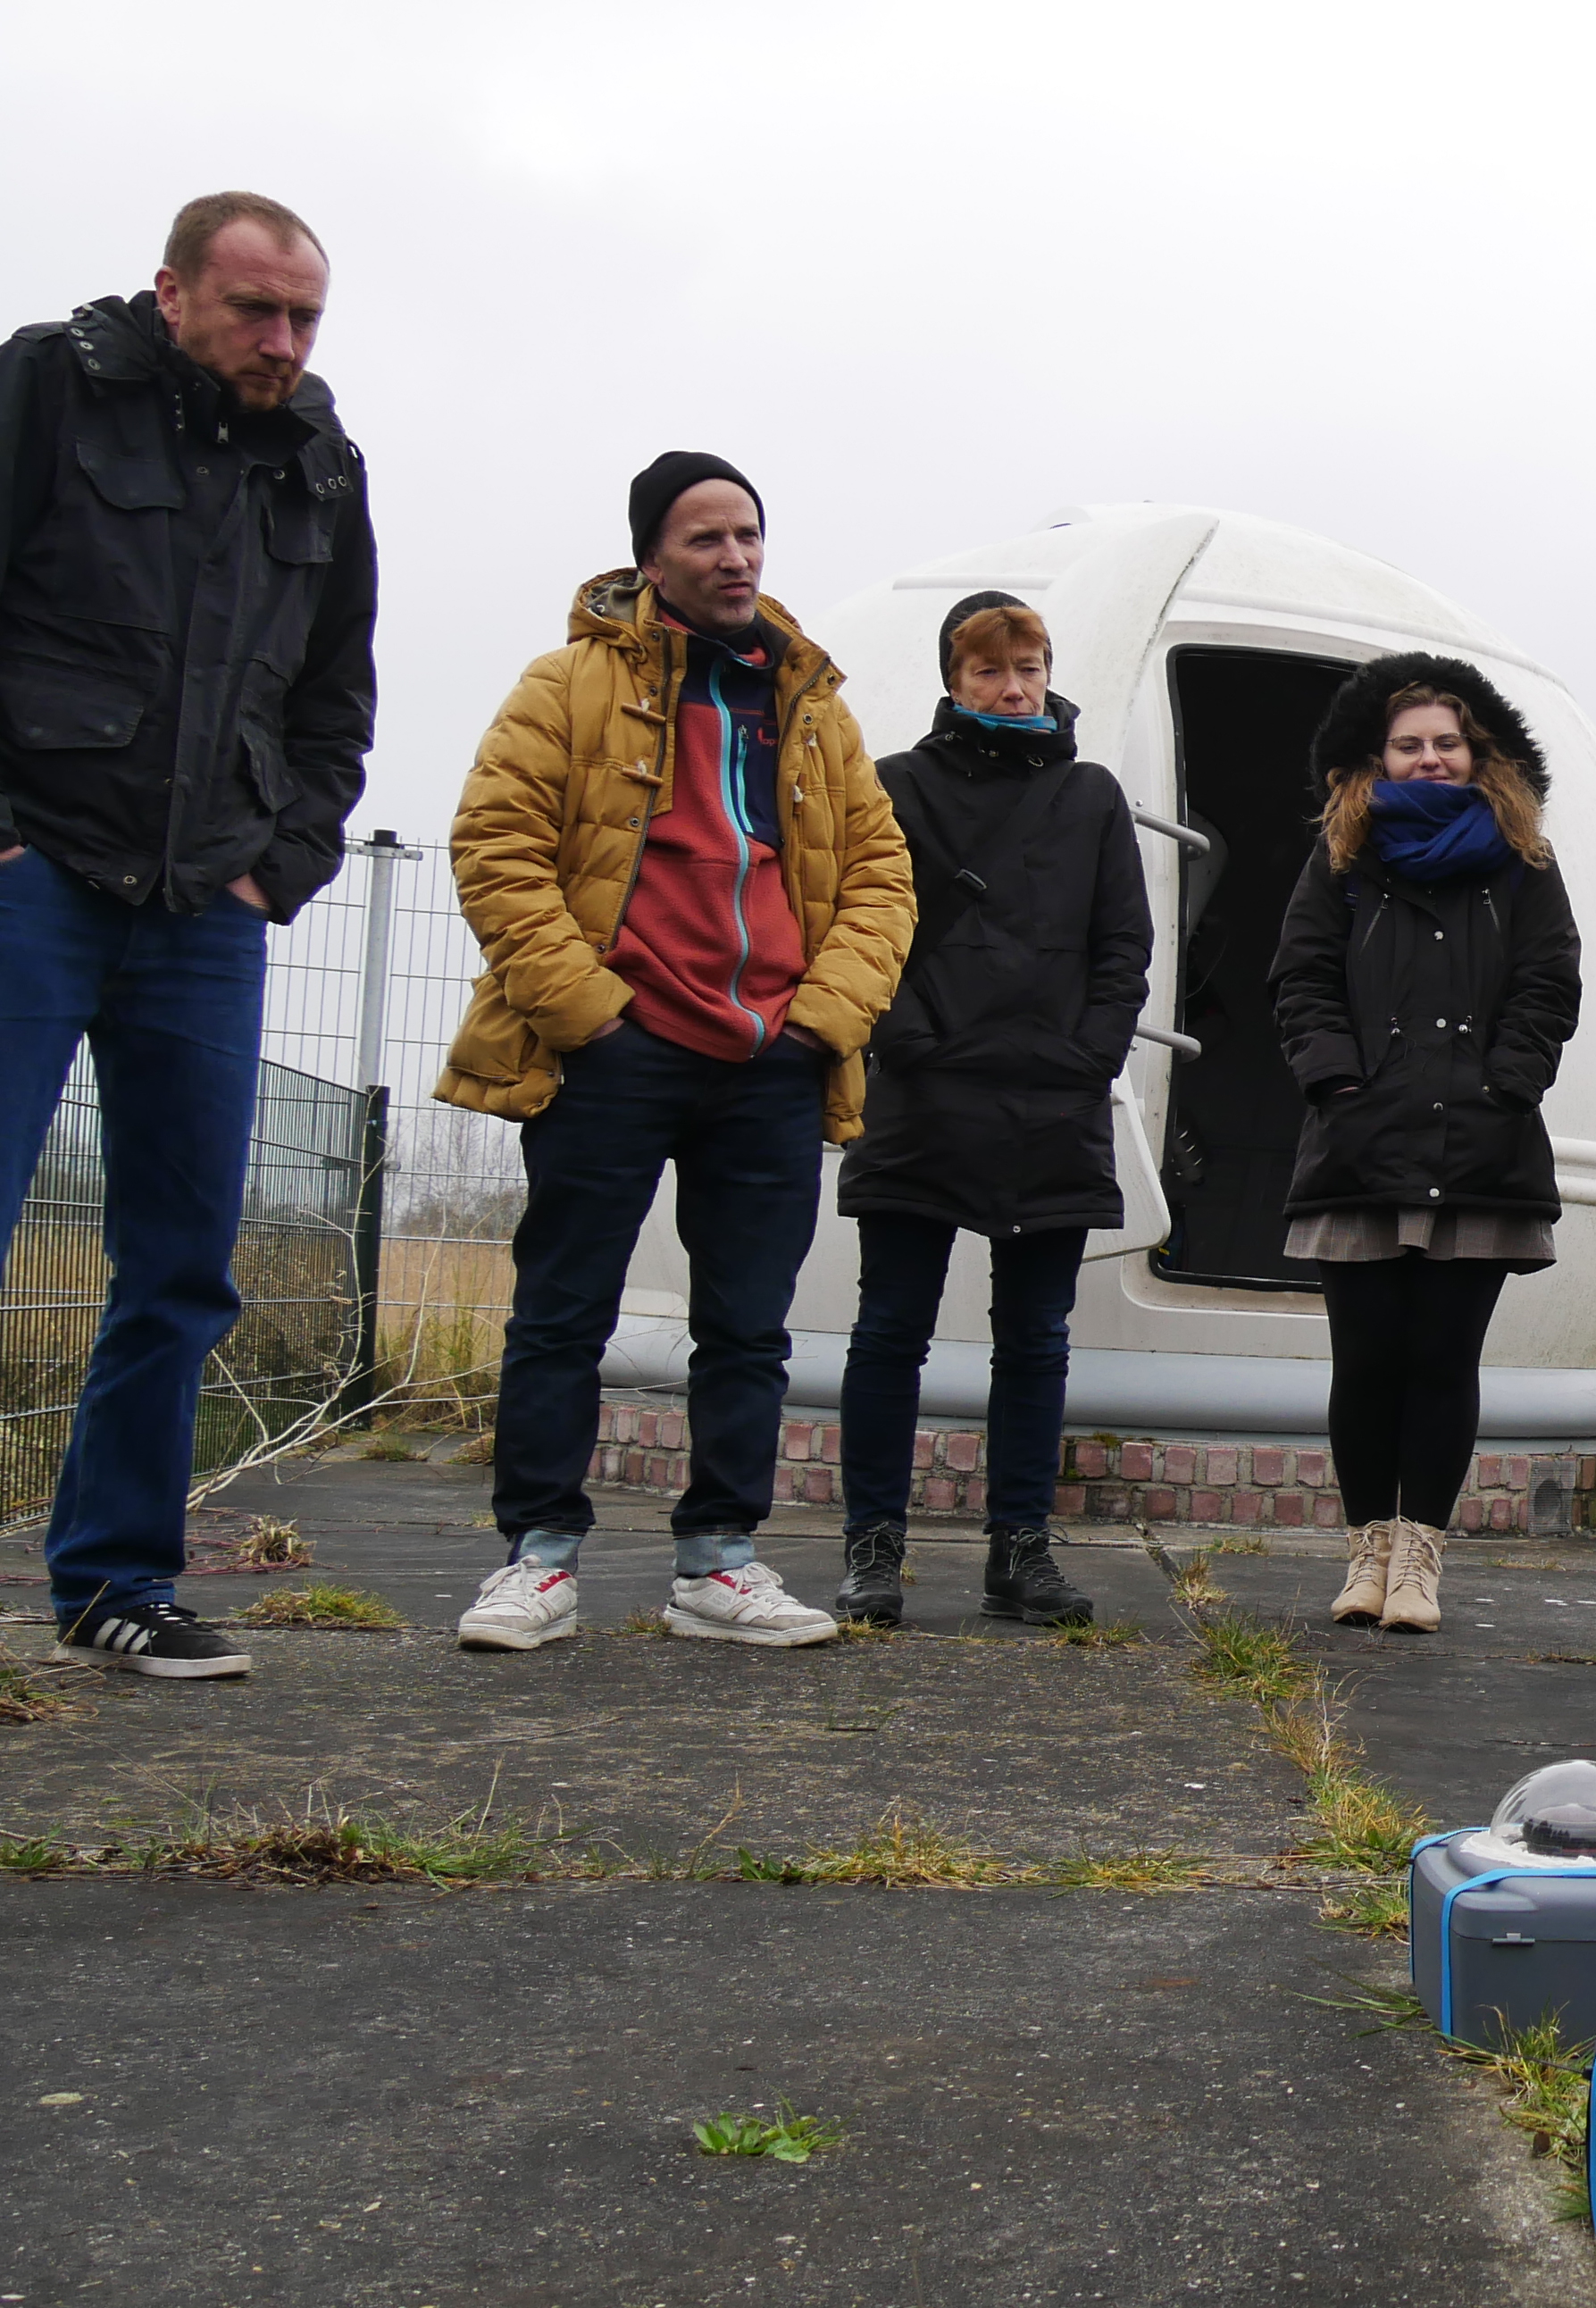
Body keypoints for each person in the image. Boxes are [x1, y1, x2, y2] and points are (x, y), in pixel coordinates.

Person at [439, 453, 915, 1654]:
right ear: (652, 558)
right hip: (615, 1049)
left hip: (770, 1057)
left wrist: (822, 1019)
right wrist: (589, 1012)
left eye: (749, 533)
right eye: (706, 538)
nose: (736, 557)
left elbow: (881, 874)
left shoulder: (815, 711)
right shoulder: (566, 686)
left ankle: (719, 1562)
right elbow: (496, 845)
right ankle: (536, 1562)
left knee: (750, 1325)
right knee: (563, 1312)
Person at [0, 193, 373, 1680]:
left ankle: (114, 1581)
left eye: (304, 319)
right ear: (174, 291)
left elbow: (334, 699)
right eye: (253, 311)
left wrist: (278, 866)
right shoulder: (43, 387)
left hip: (205, 909)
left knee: (184, 1259)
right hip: (35, 876)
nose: (280, 343)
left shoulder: (325, 467)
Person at [826, 591, 1152, 1631]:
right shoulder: (895, 788)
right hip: (925, 1096)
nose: (1014, 687)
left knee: (1037, 1339)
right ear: (953, 680)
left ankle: (1021, 1550)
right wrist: (914, 1040)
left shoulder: (1092, 797)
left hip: (1050, 1102)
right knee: (889, 1332)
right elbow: (868, 929)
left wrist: (1085, 1055)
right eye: (989, 671)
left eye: (1030, 666)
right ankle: (872, 1549)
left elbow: (1123, 949)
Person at [1274, 654, 1582, 1635]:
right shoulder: (1338, 860)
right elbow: (1301, 980)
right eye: (1409, 744)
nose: (1430, 757)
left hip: (1477, 1150)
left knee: (1444, 1359)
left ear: (1475, 751)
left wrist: (1506, 1087)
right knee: (1364, 1360)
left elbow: (1548, 982)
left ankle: (1419, 1559)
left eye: (1446, 742)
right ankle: (1366, 1549)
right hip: (1359, 1146)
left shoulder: (1522, 862)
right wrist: (1340, 1086)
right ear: (1379, 757)